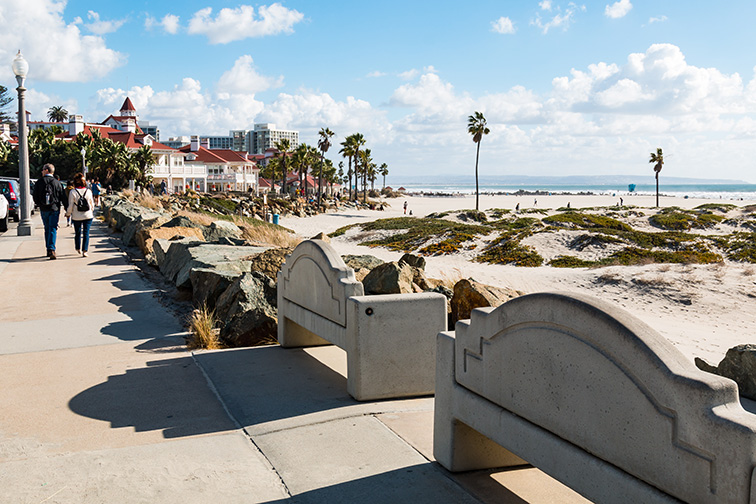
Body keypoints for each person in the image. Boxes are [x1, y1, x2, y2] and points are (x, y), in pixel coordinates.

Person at [32, 163, 67, 259]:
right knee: (53, 228)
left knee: (47, 228)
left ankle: (48, 248)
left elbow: (35, 196)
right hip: (54, 208)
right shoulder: (57, 183)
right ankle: (51, 249)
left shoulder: (39, 182)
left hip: (44, 209)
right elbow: (63, 197)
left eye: (43, 169)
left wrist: (39, 204)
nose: (42, 171)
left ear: (47, 170)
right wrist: (67, 209)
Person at [65, 172, 95, 257]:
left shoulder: (73, 192)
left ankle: (78, 248)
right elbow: (91, 204)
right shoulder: (88, 191)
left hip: (76, 216)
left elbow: (70, 205)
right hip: (88, 215)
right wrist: (91, 211)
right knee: (86, 233)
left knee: (77, 232)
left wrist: (68, 214)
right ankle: (85, 250)